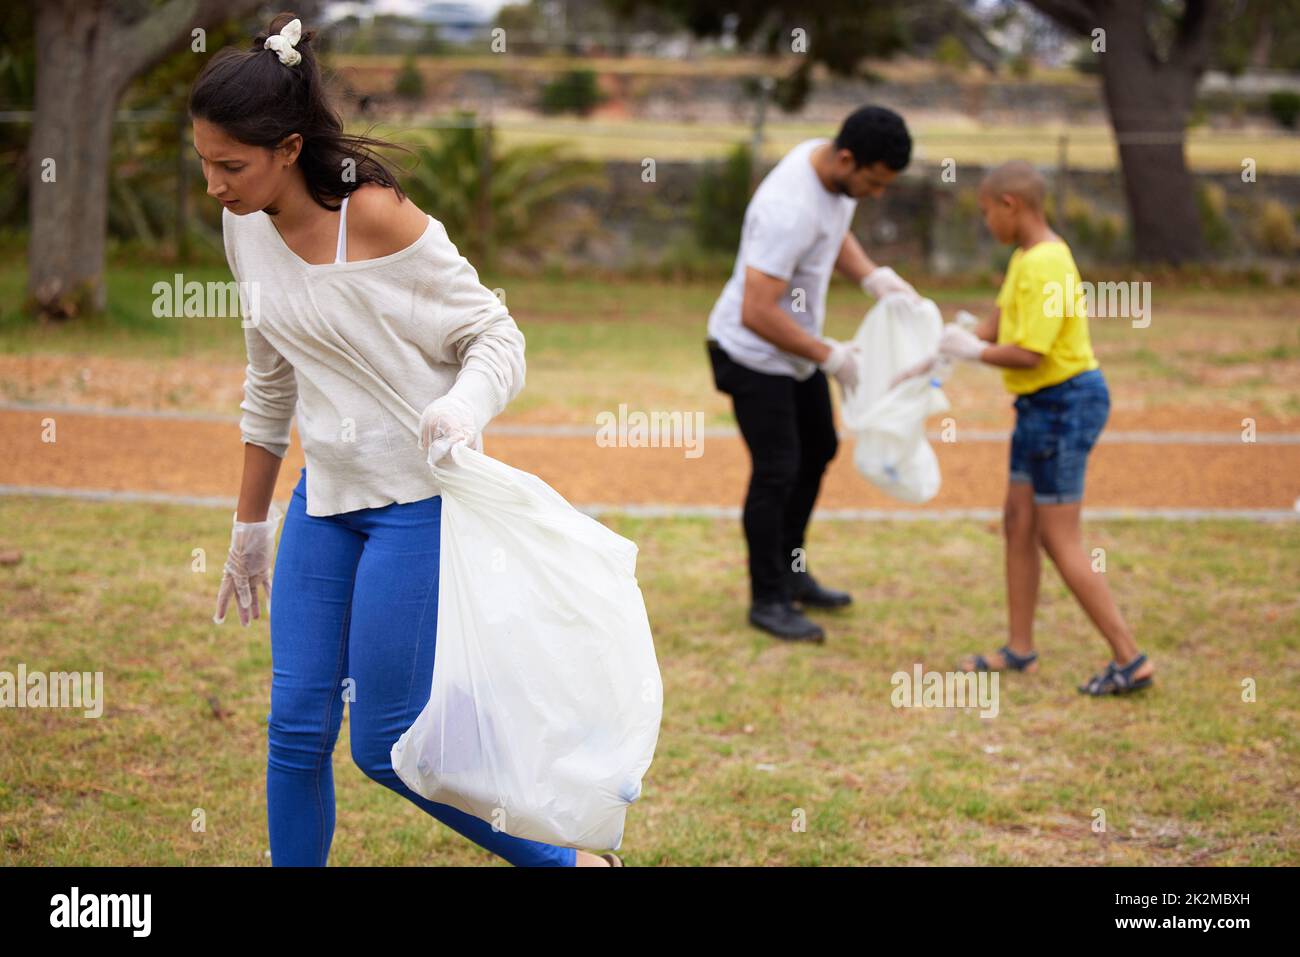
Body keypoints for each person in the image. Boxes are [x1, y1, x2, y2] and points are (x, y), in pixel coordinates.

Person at [199, 14, 621, 865]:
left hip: (416, 501)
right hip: (327, 498)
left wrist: (463, 408)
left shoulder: (378, 217)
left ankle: (566, 861)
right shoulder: (243, 223)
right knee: (294, 729)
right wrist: (250, 527)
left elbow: (496, 335)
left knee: (385, 740)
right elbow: (270, 378)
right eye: (202, 163)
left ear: (287, 147)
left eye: (231, 166)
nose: (214, 184)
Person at [905, 160, 1154, 695]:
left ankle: (1130, 658)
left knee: (1057, 536)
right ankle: (1020, 649)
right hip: (1038, 408)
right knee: (1018, 521)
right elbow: (997, 324)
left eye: (986, 211)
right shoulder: (1025, 259)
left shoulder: (1048, 265)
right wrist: (950, 341)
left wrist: (973, 352)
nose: (985, 221)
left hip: (1063, 403)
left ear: (1010, 205)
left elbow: (1030, 352)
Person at [705, 105, 918, 643]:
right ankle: (768, 597)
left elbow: (834, 231)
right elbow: (757, 310)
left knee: (819, 447)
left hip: (795, 351)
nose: (876, 194)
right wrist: (831, 356)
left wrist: (873, 278)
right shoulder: (787, 207)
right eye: (873, 181)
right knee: (777, 468)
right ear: (847, 158)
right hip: (751, 352)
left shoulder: (826, 166)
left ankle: (792, 569)